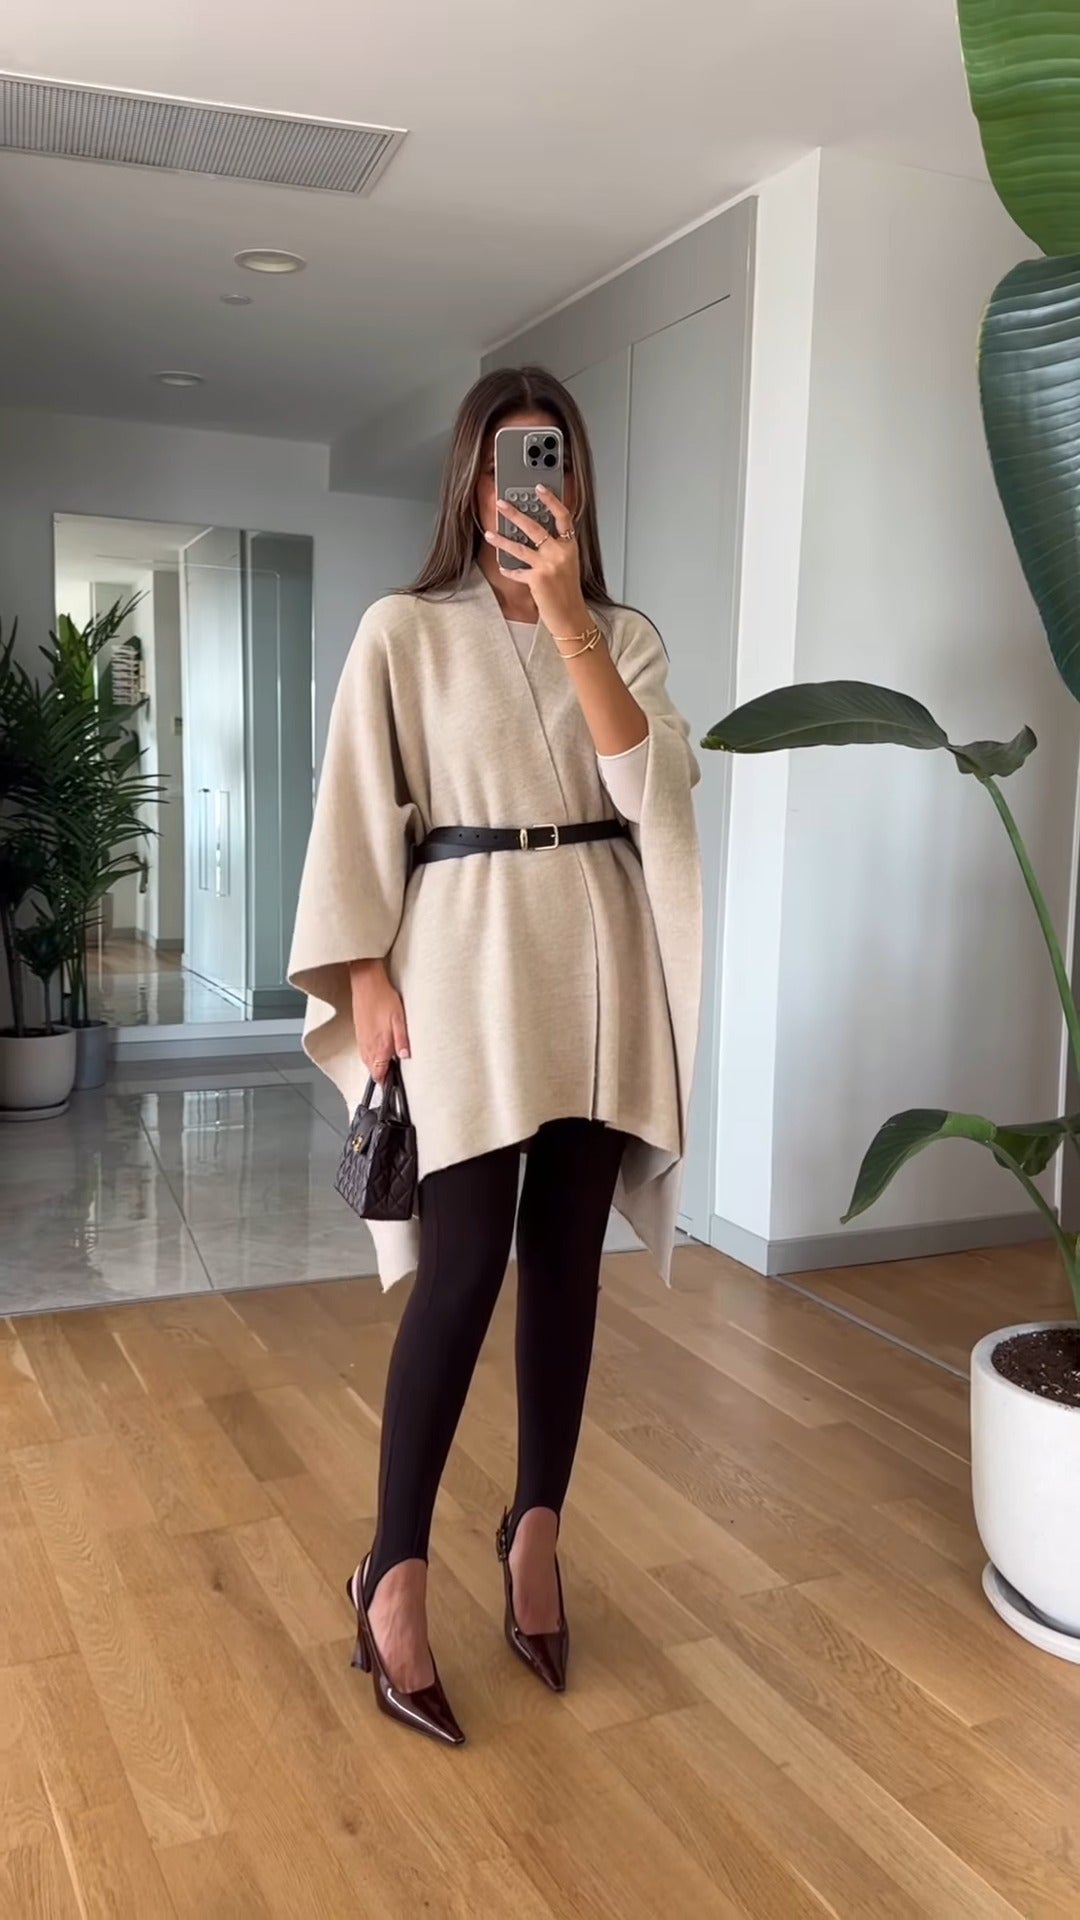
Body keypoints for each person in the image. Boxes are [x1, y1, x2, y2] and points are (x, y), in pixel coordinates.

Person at [289, 365, 702, 1748]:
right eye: (506, 461)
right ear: (470, 482)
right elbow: (357, 808)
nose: (530, 484)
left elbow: (651, 792)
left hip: (597, 964)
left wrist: (572, 620)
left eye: (553, 459)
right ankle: (392, 1572)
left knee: (567, 1268)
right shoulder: (403, 629)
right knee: (462, 1268)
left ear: (577, 483)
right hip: (462, 965)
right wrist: (364, 972)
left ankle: (535, 1537)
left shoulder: (625, 635)